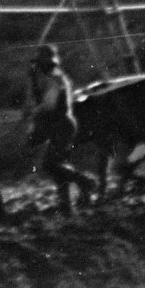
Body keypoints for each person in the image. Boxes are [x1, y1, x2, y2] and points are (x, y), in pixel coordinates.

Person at [26, 44, 97, 212]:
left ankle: (85, 182)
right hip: (61, 124)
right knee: (59, 164)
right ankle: (67, 204)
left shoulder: (53, 79)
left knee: (50, 164)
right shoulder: (58, 77)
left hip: (60, 124)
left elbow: (48, 105)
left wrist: (32, 112)